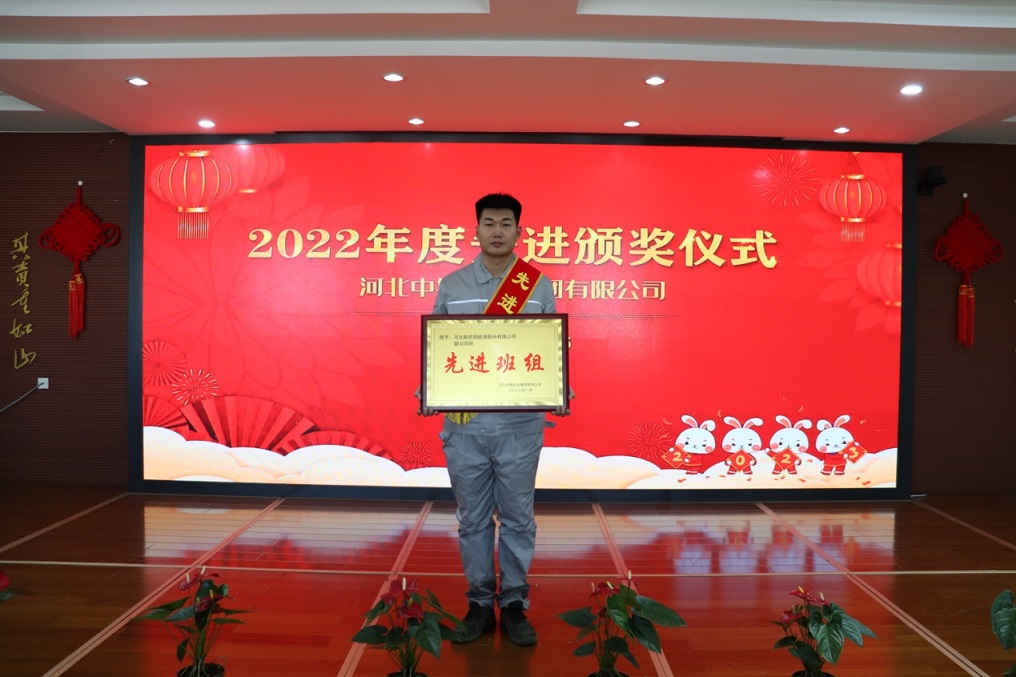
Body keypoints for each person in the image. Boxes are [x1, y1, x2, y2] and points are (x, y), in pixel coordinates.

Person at [418, 192, 567, 647]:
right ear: (476, 230)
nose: (497, 231)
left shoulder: (537, 285)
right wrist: (429, 391)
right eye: (489, 223)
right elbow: (435, 349)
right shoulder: (452, 284)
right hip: (465, 427)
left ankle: (516, 603)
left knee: (519, 518)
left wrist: (559, 390)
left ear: (519, 231)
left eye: (505, 223)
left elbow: (553, 349)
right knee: (473, 520)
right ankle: (480, 603)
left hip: (520, 427)